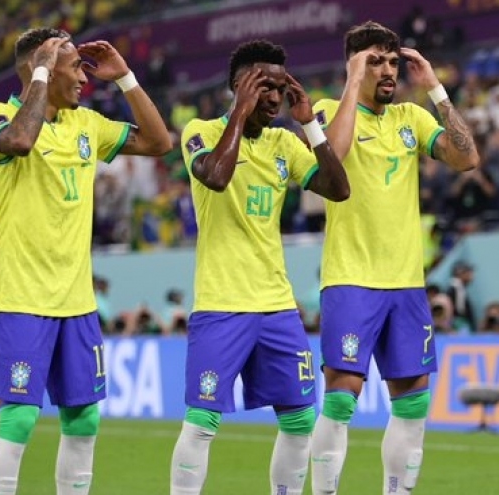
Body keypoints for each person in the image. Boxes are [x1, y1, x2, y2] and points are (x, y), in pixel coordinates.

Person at [0, 28, 172, 495]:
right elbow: (20, 141)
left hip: (78, 301)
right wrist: (42, 73)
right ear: (39, 69)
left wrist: (125, 78)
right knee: (20, 417)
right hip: (22, 296)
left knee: (84, 419)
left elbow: (159, 142)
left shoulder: (86, 123)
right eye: (74, 67)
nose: (84, 78)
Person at [170, 39, 349, 495]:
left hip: (276, 305)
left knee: (300, 420)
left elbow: (338, 189)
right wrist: (239, 112)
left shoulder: (284, 143)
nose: (274, 98)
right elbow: (215, 176)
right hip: (221, 303)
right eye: (264, 87)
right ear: (240, 86)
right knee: (203, 421)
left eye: (280, 88)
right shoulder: (200, 131)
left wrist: (309, 124)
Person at [310, 21, 480, 495]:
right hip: (351, 278)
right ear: (353, 64)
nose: (388, 70)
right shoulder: (328, 110)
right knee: (341, 401)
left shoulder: (411, 118)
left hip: (406, 284)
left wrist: (435, 90)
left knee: (412, 405)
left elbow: (466, 158)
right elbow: (332, 158)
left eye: (391, 61)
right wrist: (352, 81)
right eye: (375, 61)